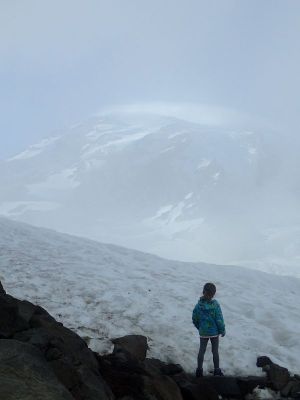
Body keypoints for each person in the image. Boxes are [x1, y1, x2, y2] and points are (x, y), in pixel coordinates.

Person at [192, 282, 225, 377]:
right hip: (214, 332)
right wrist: (222, 330)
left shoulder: (198, 306)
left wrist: (200, 327)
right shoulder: (215, 305)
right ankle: (217, 370)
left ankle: (199, 370)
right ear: (213, 294)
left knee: (201, 350)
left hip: (203, 332)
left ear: (203, 292)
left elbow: (195, 318)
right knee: (215, 351)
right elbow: (219, 319)